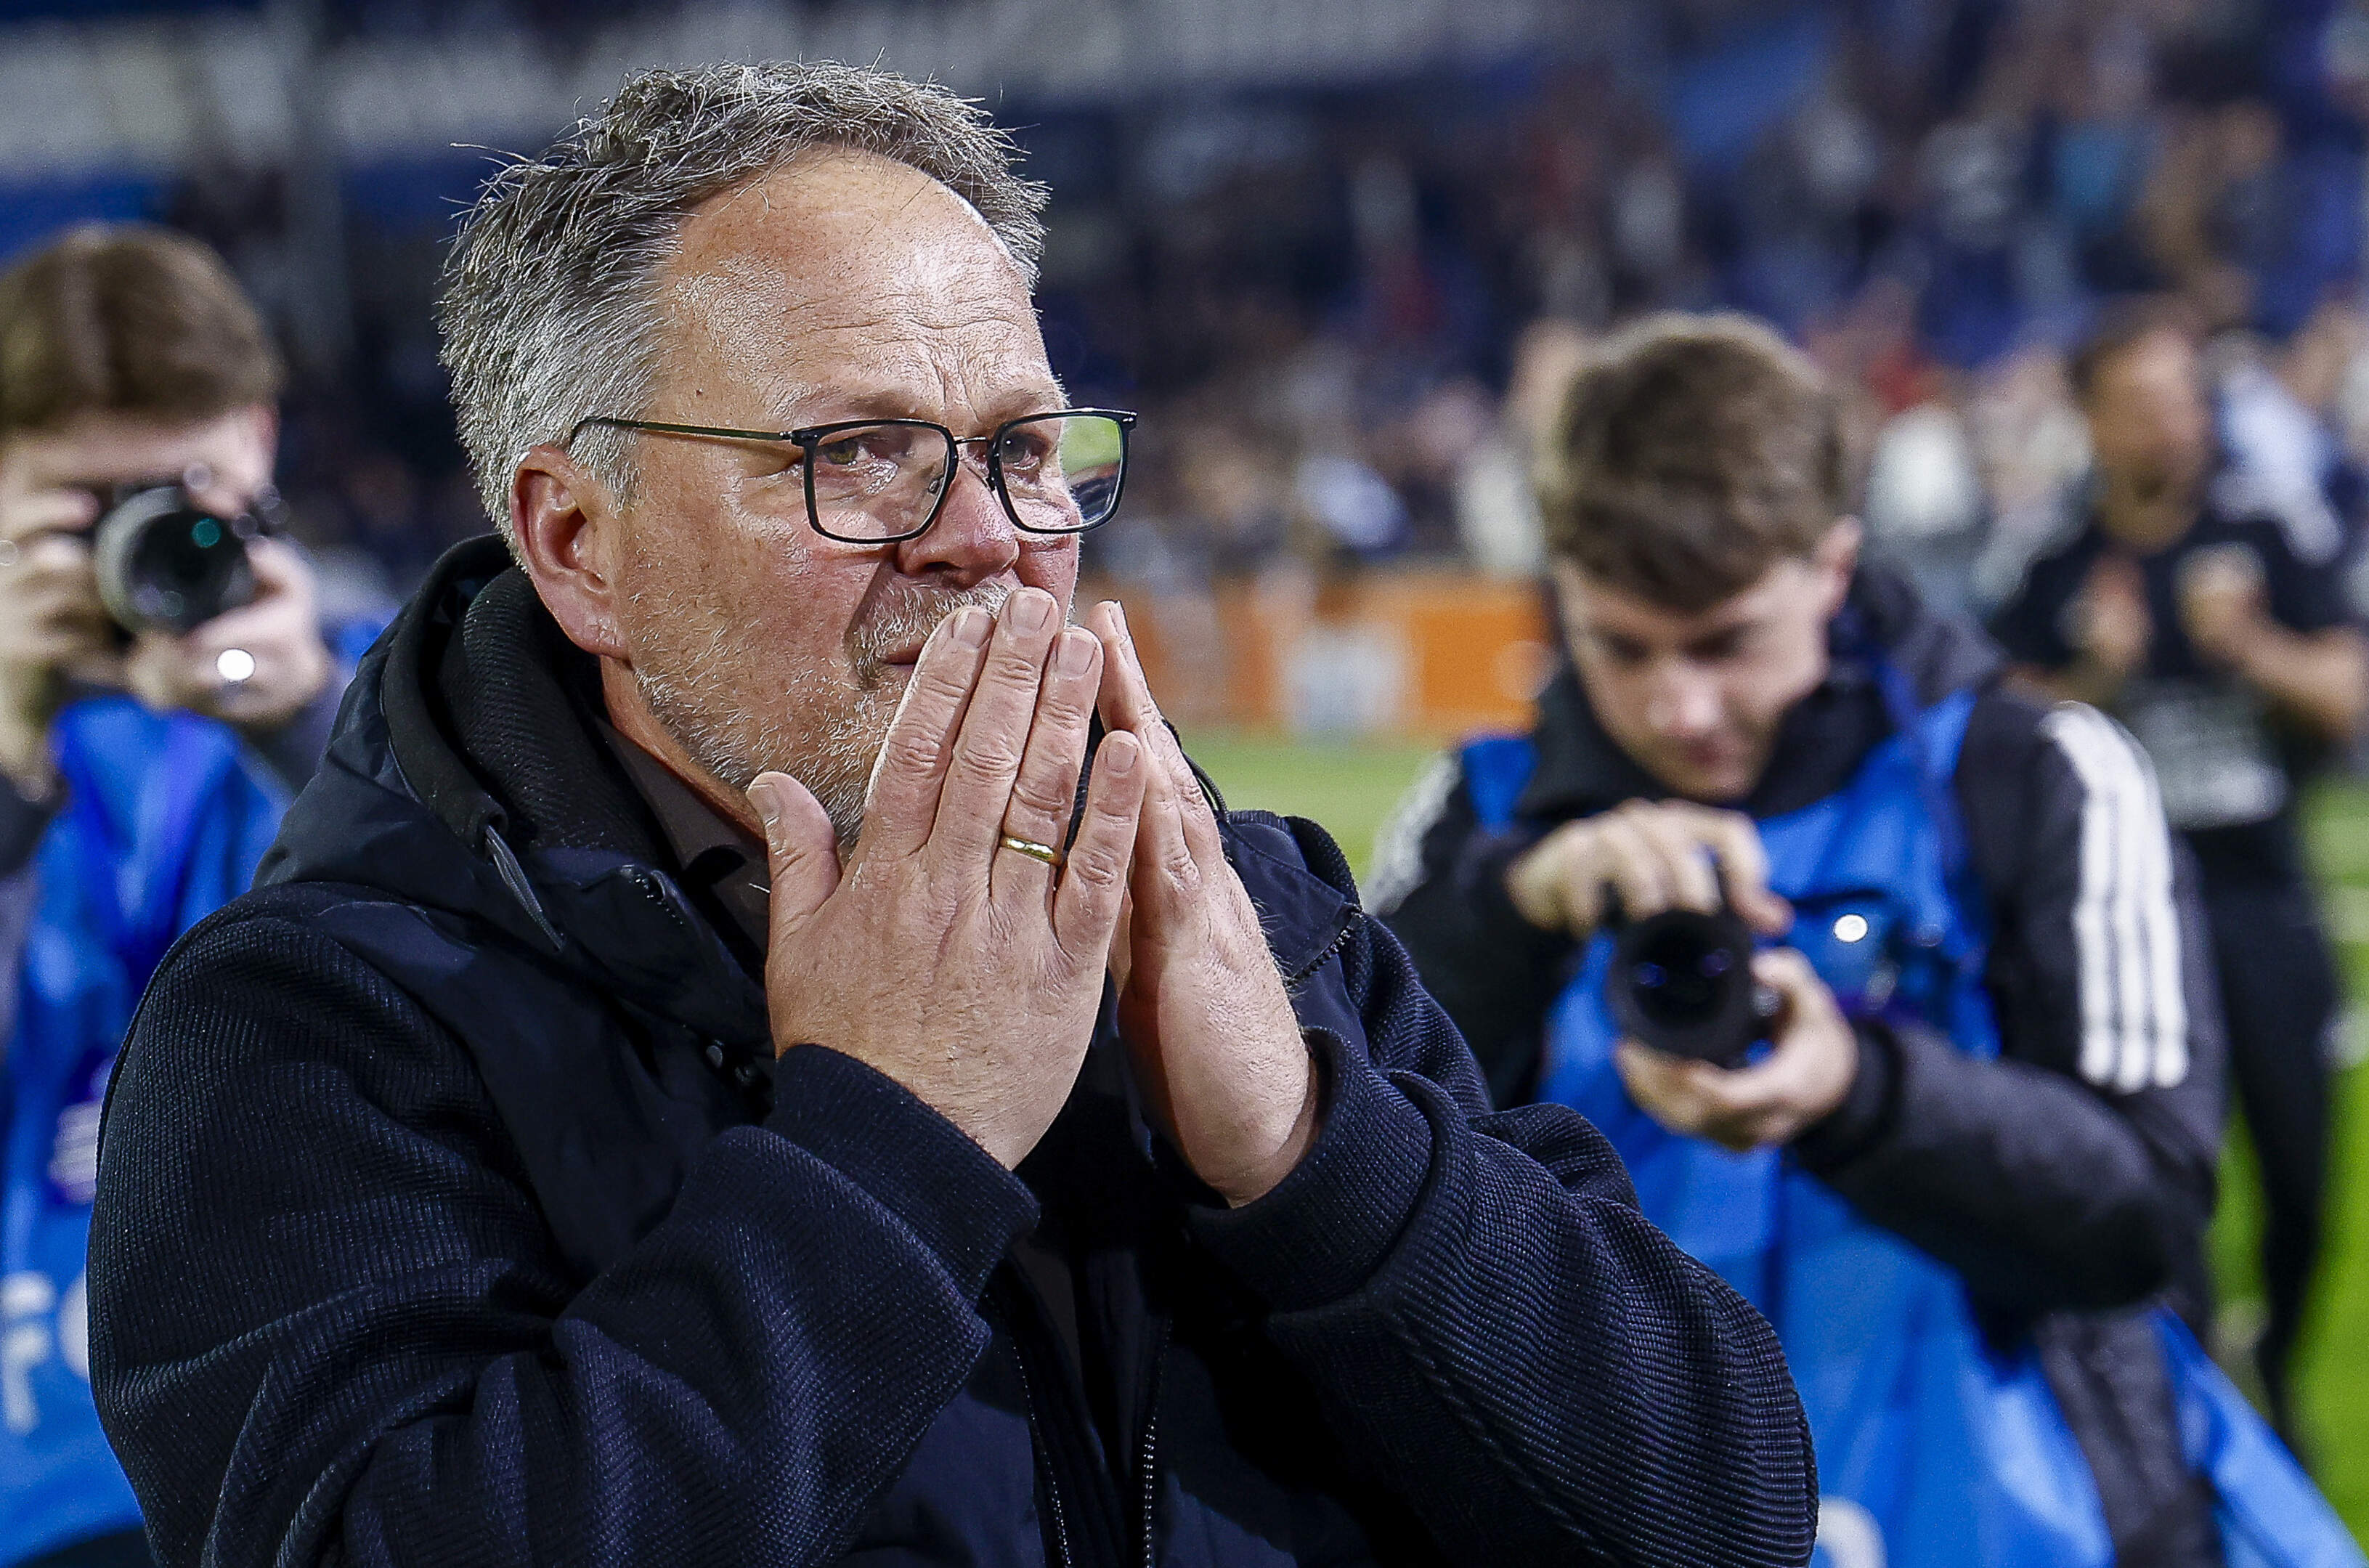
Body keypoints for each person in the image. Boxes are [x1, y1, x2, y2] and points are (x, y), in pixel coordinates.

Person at [87, 62, 1811, 1568]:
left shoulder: (1251, 907)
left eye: (1026, 447)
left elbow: (1721, 1515)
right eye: (859, 456)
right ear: (575, 544)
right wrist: (891, 1140)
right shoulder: (311, 1027)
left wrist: (1313, 1145)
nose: (986, 534)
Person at [1373, 312, 2361, 1568]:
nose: (1682, 707)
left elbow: (2147, 1216)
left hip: (2011, 1521)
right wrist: (1512, 910)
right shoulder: (1481, 815)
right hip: (1603, 1513)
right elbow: (1341, 1182)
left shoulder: (2032, 778)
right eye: (1619, 647)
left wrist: (1856, 1094)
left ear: (1833, 570)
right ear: (1562, 586)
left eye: (1729, 643)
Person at [0, 226, 344, 1568]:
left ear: (258, 440)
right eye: (88, 513)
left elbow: (506, 1011)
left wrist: (306, 730)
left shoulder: (392, 710)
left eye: (183, 493)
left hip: (312, 1449)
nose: (145, 549)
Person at [1990, 299, 2369, 1458]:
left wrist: (2250, 648)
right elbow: (1987, 732)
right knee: (2167, 1178)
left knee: (2304, 1181)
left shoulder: (2267, 532)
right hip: (2121, 919)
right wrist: (2091, 677)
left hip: (2262, 897)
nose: (2173, 425)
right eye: (2144, 404)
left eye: (2184, 399)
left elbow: (2351, 697)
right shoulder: (2053, 558)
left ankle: (2279, 1350)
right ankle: (2202, 1406)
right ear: (2095, 422)